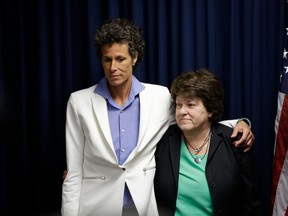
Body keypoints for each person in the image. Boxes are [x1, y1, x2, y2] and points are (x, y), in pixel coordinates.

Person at [61, 18, 254, 216]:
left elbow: (194, 118)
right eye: (106, 59)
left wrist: (237, 124)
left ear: (134, 58)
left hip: (144, 206)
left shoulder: (159, 96)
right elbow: (73, 172)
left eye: (120, 59)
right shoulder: (79, 102)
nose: (112, 67)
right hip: (96, 207)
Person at [154, 69, 262, 216]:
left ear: (210, 110)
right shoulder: (161, 141)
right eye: (179, 105)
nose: (181, 111)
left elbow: (251, 202)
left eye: (190, 105)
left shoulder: (235, 141)